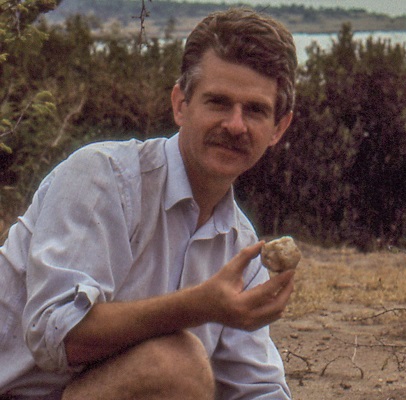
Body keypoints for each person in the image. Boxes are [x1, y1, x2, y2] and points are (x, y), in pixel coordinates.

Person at [0, 7, 297, 400]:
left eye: (255, 110)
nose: (236, 125)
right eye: (218, 103)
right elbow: (56, 335)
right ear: (180, 104)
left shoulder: (242, 246)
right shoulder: (103, 177)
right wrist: (200, 306)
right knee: (174, 365)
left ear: (279, 127)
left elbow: (256, 387)